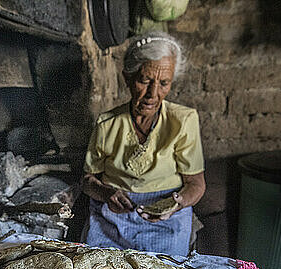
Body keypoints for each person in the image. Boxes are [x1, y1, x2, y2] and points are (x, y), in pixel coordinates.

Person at [82, 31, 206, 256]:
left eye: (163, 83)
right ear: (127, 77)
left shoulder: (183, 120)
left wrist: (176, 203)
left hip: (166, 218)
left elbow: (196, 184)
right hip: (114, 215)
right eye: (145, 80)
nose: (153, 94)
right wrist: (106, 193)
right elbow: (88, 180)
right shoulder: (107, 123)